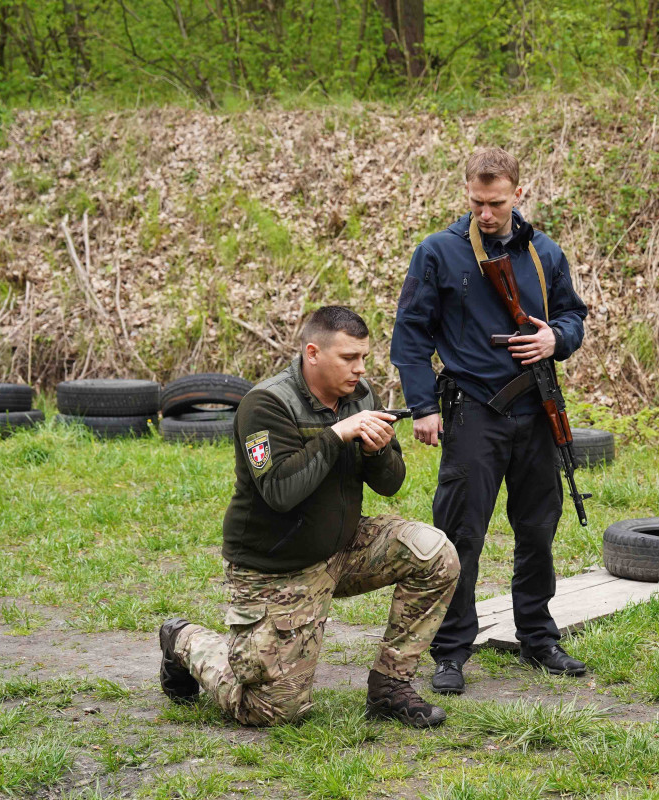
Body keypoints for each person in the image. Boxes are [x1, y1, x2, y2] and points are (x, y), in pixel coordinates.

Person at [157, 305, 460, 728]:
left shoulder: (360, 395)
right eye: (348, 358)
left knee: (436, 553)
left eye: (363, 358)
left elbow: (391, 484)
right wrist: (337, 434)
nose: (359, 370)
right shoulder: (265, 404)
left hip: (341, 549)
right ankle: (185, 640)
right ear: (312, 353)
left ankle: (390, 687)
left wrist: (376, 452)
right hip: (276, 570)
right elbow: (281, 492)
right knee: (273, 712)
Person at [390, 148, 589, 696]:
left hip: (537, 410)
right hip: (473, 409)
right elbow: (410, 335)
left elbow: (574, 315)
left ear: (518, 193)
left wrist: (556, 337)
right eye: (476, 202)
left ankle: (539, 637)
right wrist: (424, 405)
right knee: (460, 536)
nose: (485, 213)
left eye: (496, 202)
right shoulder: (439, 252)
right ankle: (451, 651)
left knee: (537, 530)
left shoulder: (544, 252)